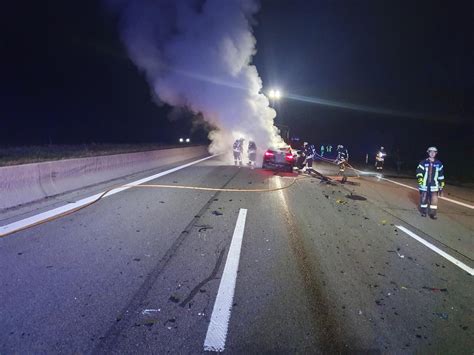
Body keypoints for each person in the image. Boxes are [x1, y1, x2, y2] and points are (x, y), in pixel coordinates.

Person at [416, 147, 445, 219]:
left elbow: (441, 175)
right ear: (428, 153)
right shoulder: (423, 162)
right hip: (424, 185)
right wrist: (420, 179)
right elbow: (419, 172)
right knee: (424, 199)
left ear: (436, 153)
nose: (432, 153)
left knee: (434, 201)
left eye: (434, 152)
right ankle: (423, 212)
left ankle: (432, 214)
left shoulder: (439, 163)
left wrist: (441, 184)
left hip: (434, 186)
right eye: (431, 152)